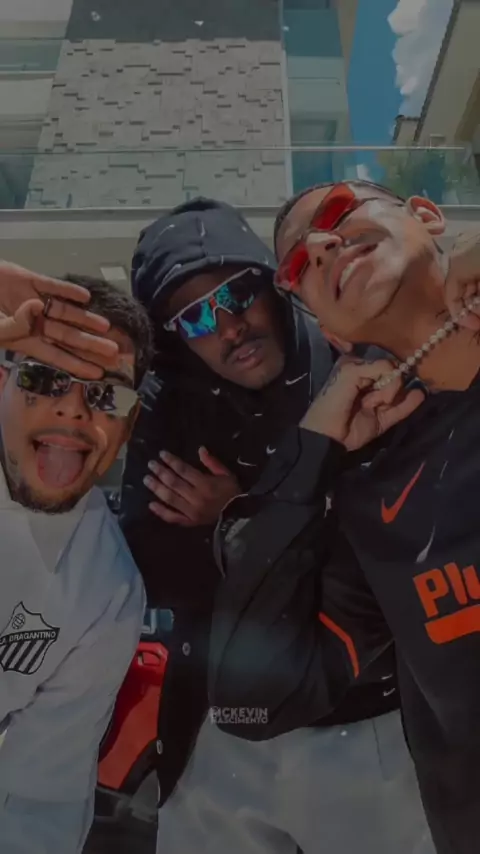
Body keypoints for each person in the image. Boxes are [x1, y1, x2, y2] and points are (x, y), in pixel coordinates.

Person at [120, 197, 432, 854]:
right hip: (217, 728)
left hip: (365, 718)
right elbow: (157, 565)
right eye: (195, 317)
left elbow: (389, 546)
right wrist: (289, 520)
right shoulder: (169, 407)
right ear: (175, 337)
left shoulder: (352, 361)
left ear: (271, 284)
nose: (229, 326)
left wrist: (237, 517)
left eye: (237, 293)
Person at [209, 180, 480, 854]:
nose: (324, 245)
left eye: (337, 212)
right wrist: (310, 457)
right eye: (299, 264)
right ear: (330, 332)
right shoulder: (368, 496)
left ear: (428, 217)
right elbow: (252, 702)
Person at [0, 271, 152, 853]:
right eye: (43, 377)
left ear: (129, 426)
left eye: (107, 395)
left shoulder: (106, 592)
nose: (72, 410)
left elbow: (39, 798)